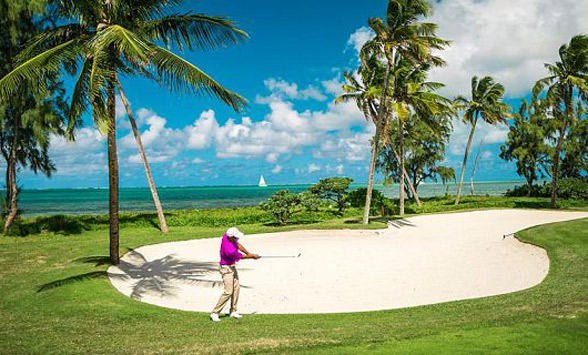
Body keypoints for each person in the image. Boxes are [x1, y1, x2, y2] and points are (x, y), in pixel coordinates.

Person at [210, 227, 260, 322]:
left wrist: (249, 253)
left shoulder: (226, 236)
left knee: (236, 288)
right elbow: (240, 256)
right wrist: (252, 256)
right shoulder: (229, 249)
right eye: (236, 237)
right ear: (232, 237)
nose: (238, 239)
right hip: (226, 269)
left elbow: (238, 245)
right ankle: (215, 313)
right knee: (228, 291)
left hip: (232, 267)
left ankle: (233, 311)